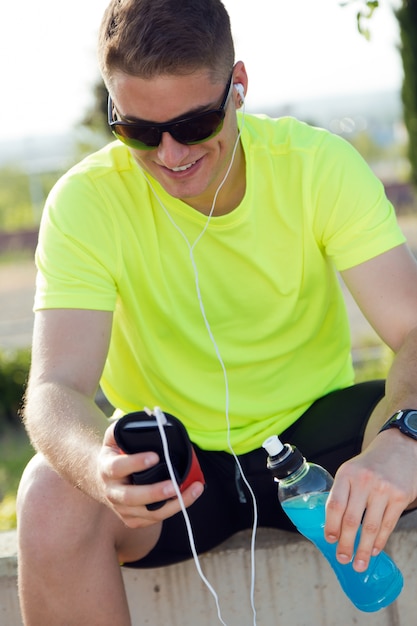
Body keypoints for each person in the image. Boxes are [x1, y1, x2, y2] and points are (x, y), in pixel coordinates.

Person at [17, 0, 417, 624]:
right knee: (47, 494)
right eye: (140, 132)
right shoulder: (84, 202)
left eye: (196, 122)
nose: (171, 154)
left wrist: (402, 436)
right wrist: (100, 469)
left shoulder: (317, 165)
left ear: (239, 87)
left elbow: (413, 331)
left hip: (314, 453)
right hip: (176, 474)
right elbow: (54, 388)